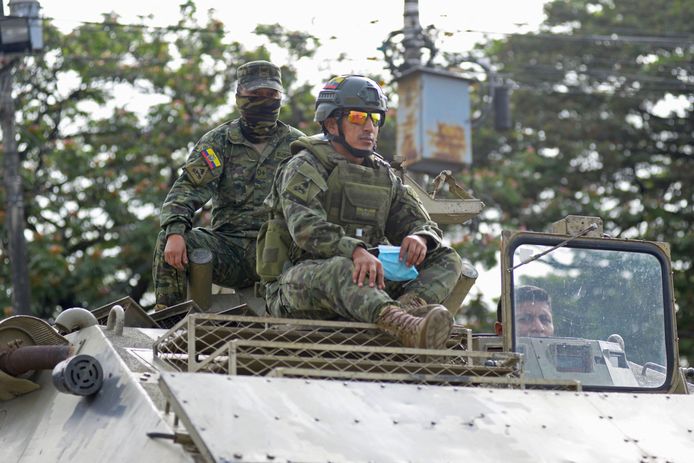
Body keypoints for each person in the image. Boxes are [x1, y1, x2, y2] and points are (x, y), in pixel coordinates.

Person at [259, 75, 464, 349]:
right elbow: (306, 229)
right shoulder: (304, 166)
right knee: (341, 268)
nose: (369, 128)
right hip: (299, 284)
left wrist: (420, 238)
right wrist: (355, 251)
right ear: (332, 123)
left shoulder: (383, 175)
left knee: (446, 257)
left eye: (375, 119)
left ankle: (409, 308)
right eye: (357, 118)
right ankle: (400, 323)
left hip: (368, 281)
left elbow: (419, 222)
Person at [152, 60, 305, 311]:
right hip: (230, 251)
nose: (264, 101)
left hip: (283, 256)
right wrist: (176, 230)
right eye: (255, 95)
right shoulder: (219, 142)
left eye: (271, 95)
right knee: (169, 237)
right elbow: (189, 188)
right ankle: (168, 319)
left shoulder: (298, 146)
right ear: (239, 98)